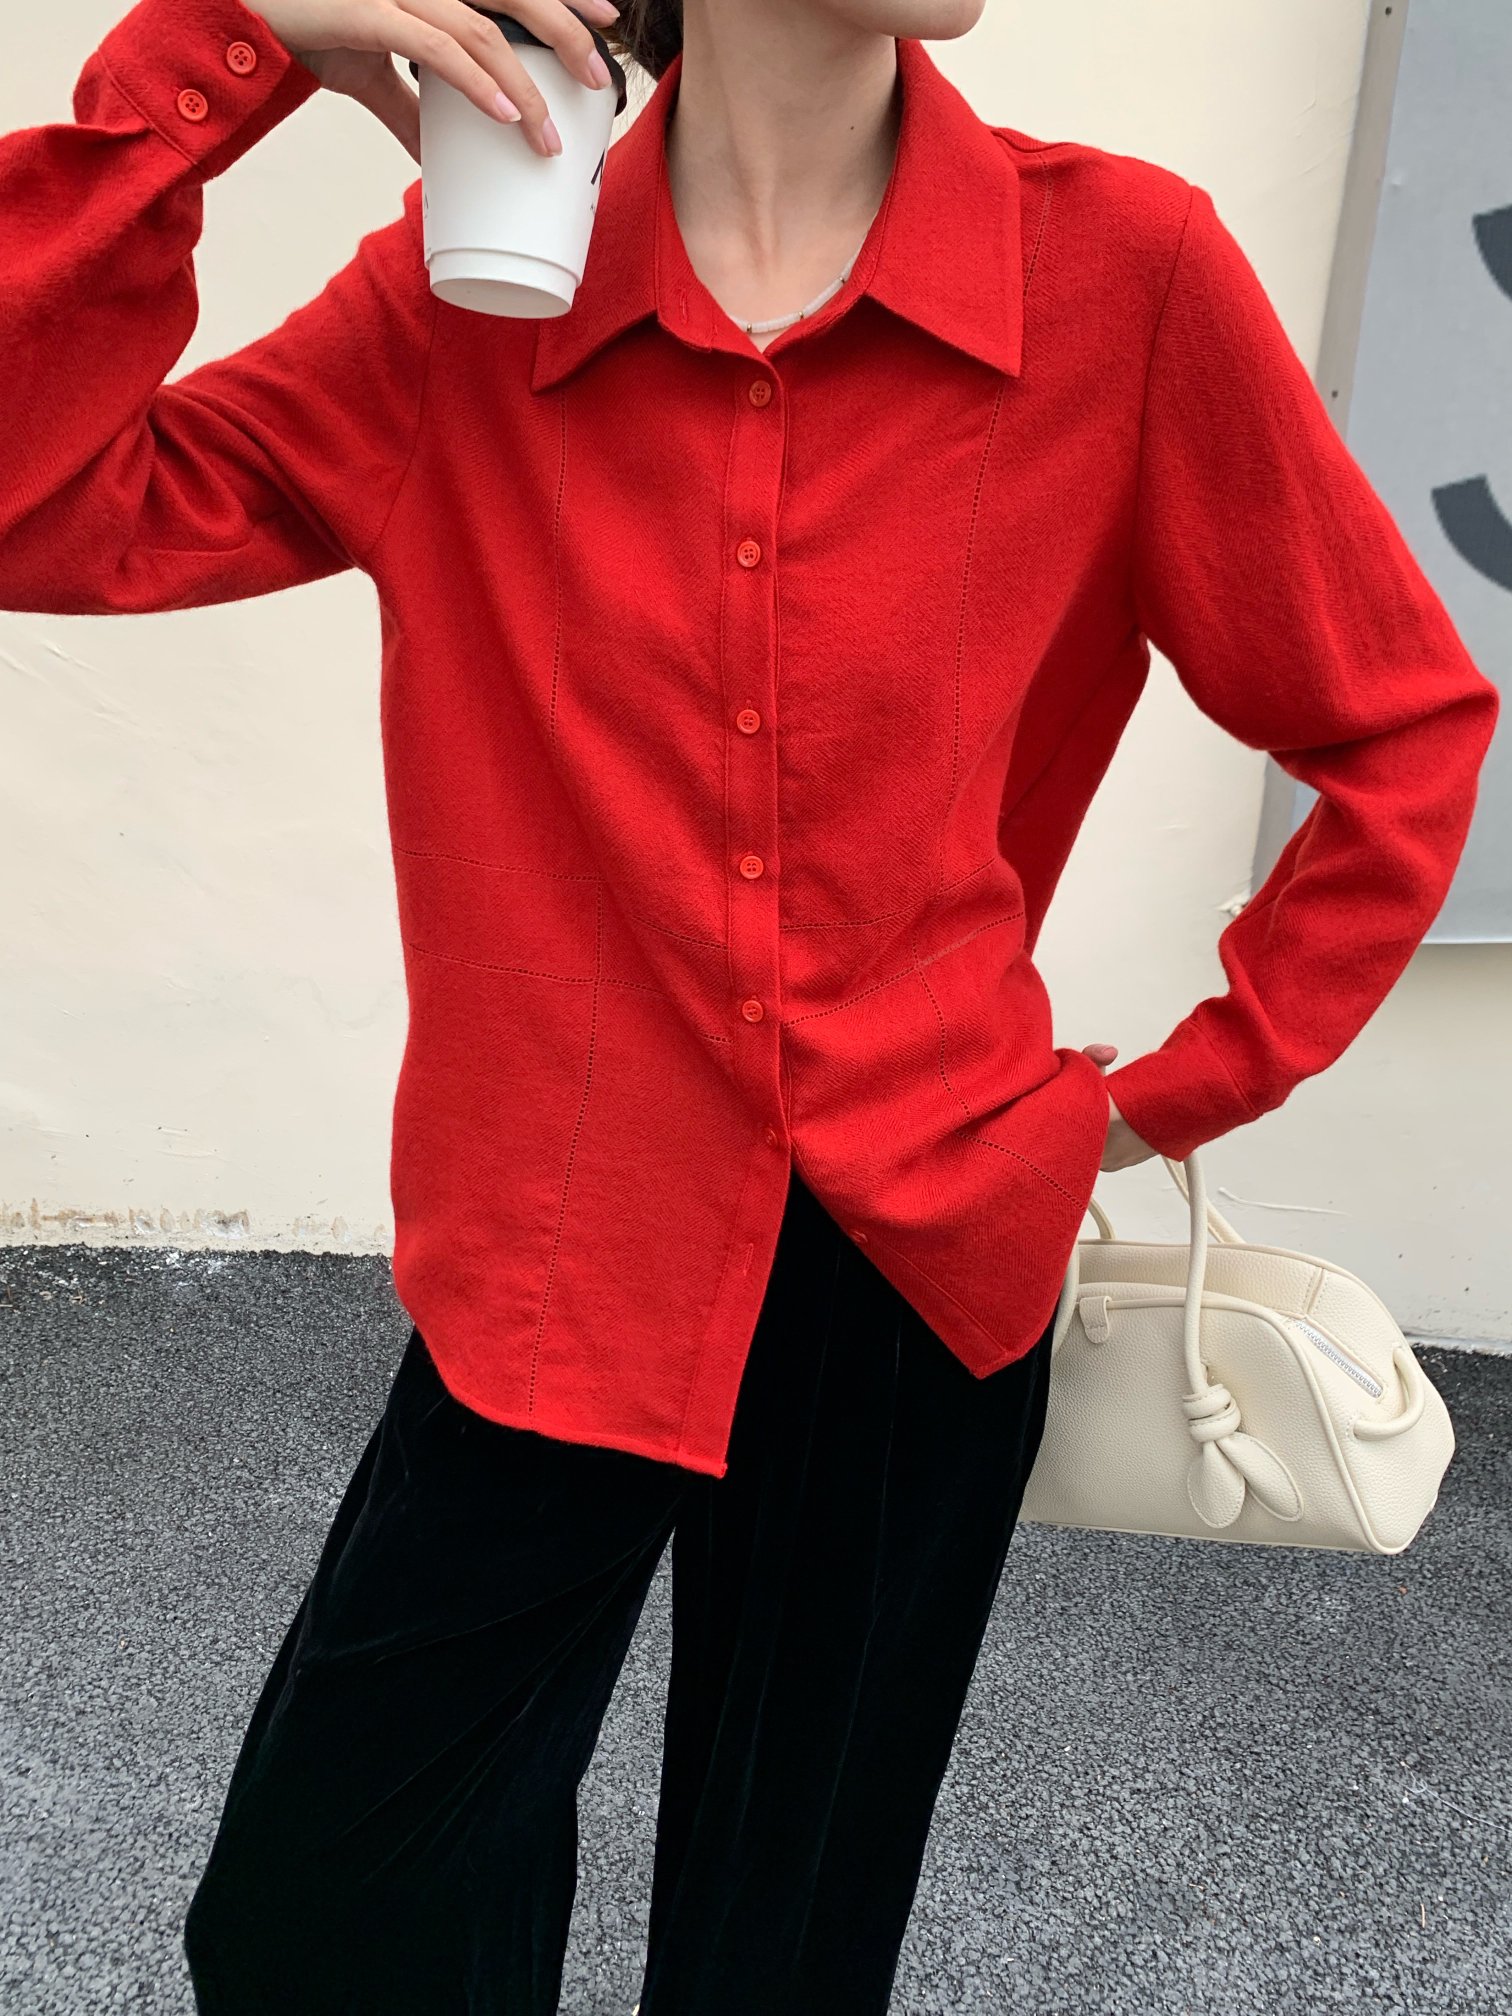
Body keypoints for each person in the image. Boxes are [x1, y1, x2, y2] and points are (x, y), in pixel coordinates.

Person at [1, 0, 1497, 2010]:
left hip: (923, 1265)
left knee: (785, 1952)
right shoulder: (464, 305)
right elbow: (34, 505)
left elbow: (1397, 724)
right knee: (322, 1919)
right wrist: (224, 53)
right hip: (560, 1257)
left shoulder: (1118, 275)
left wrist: (1165, 1097)